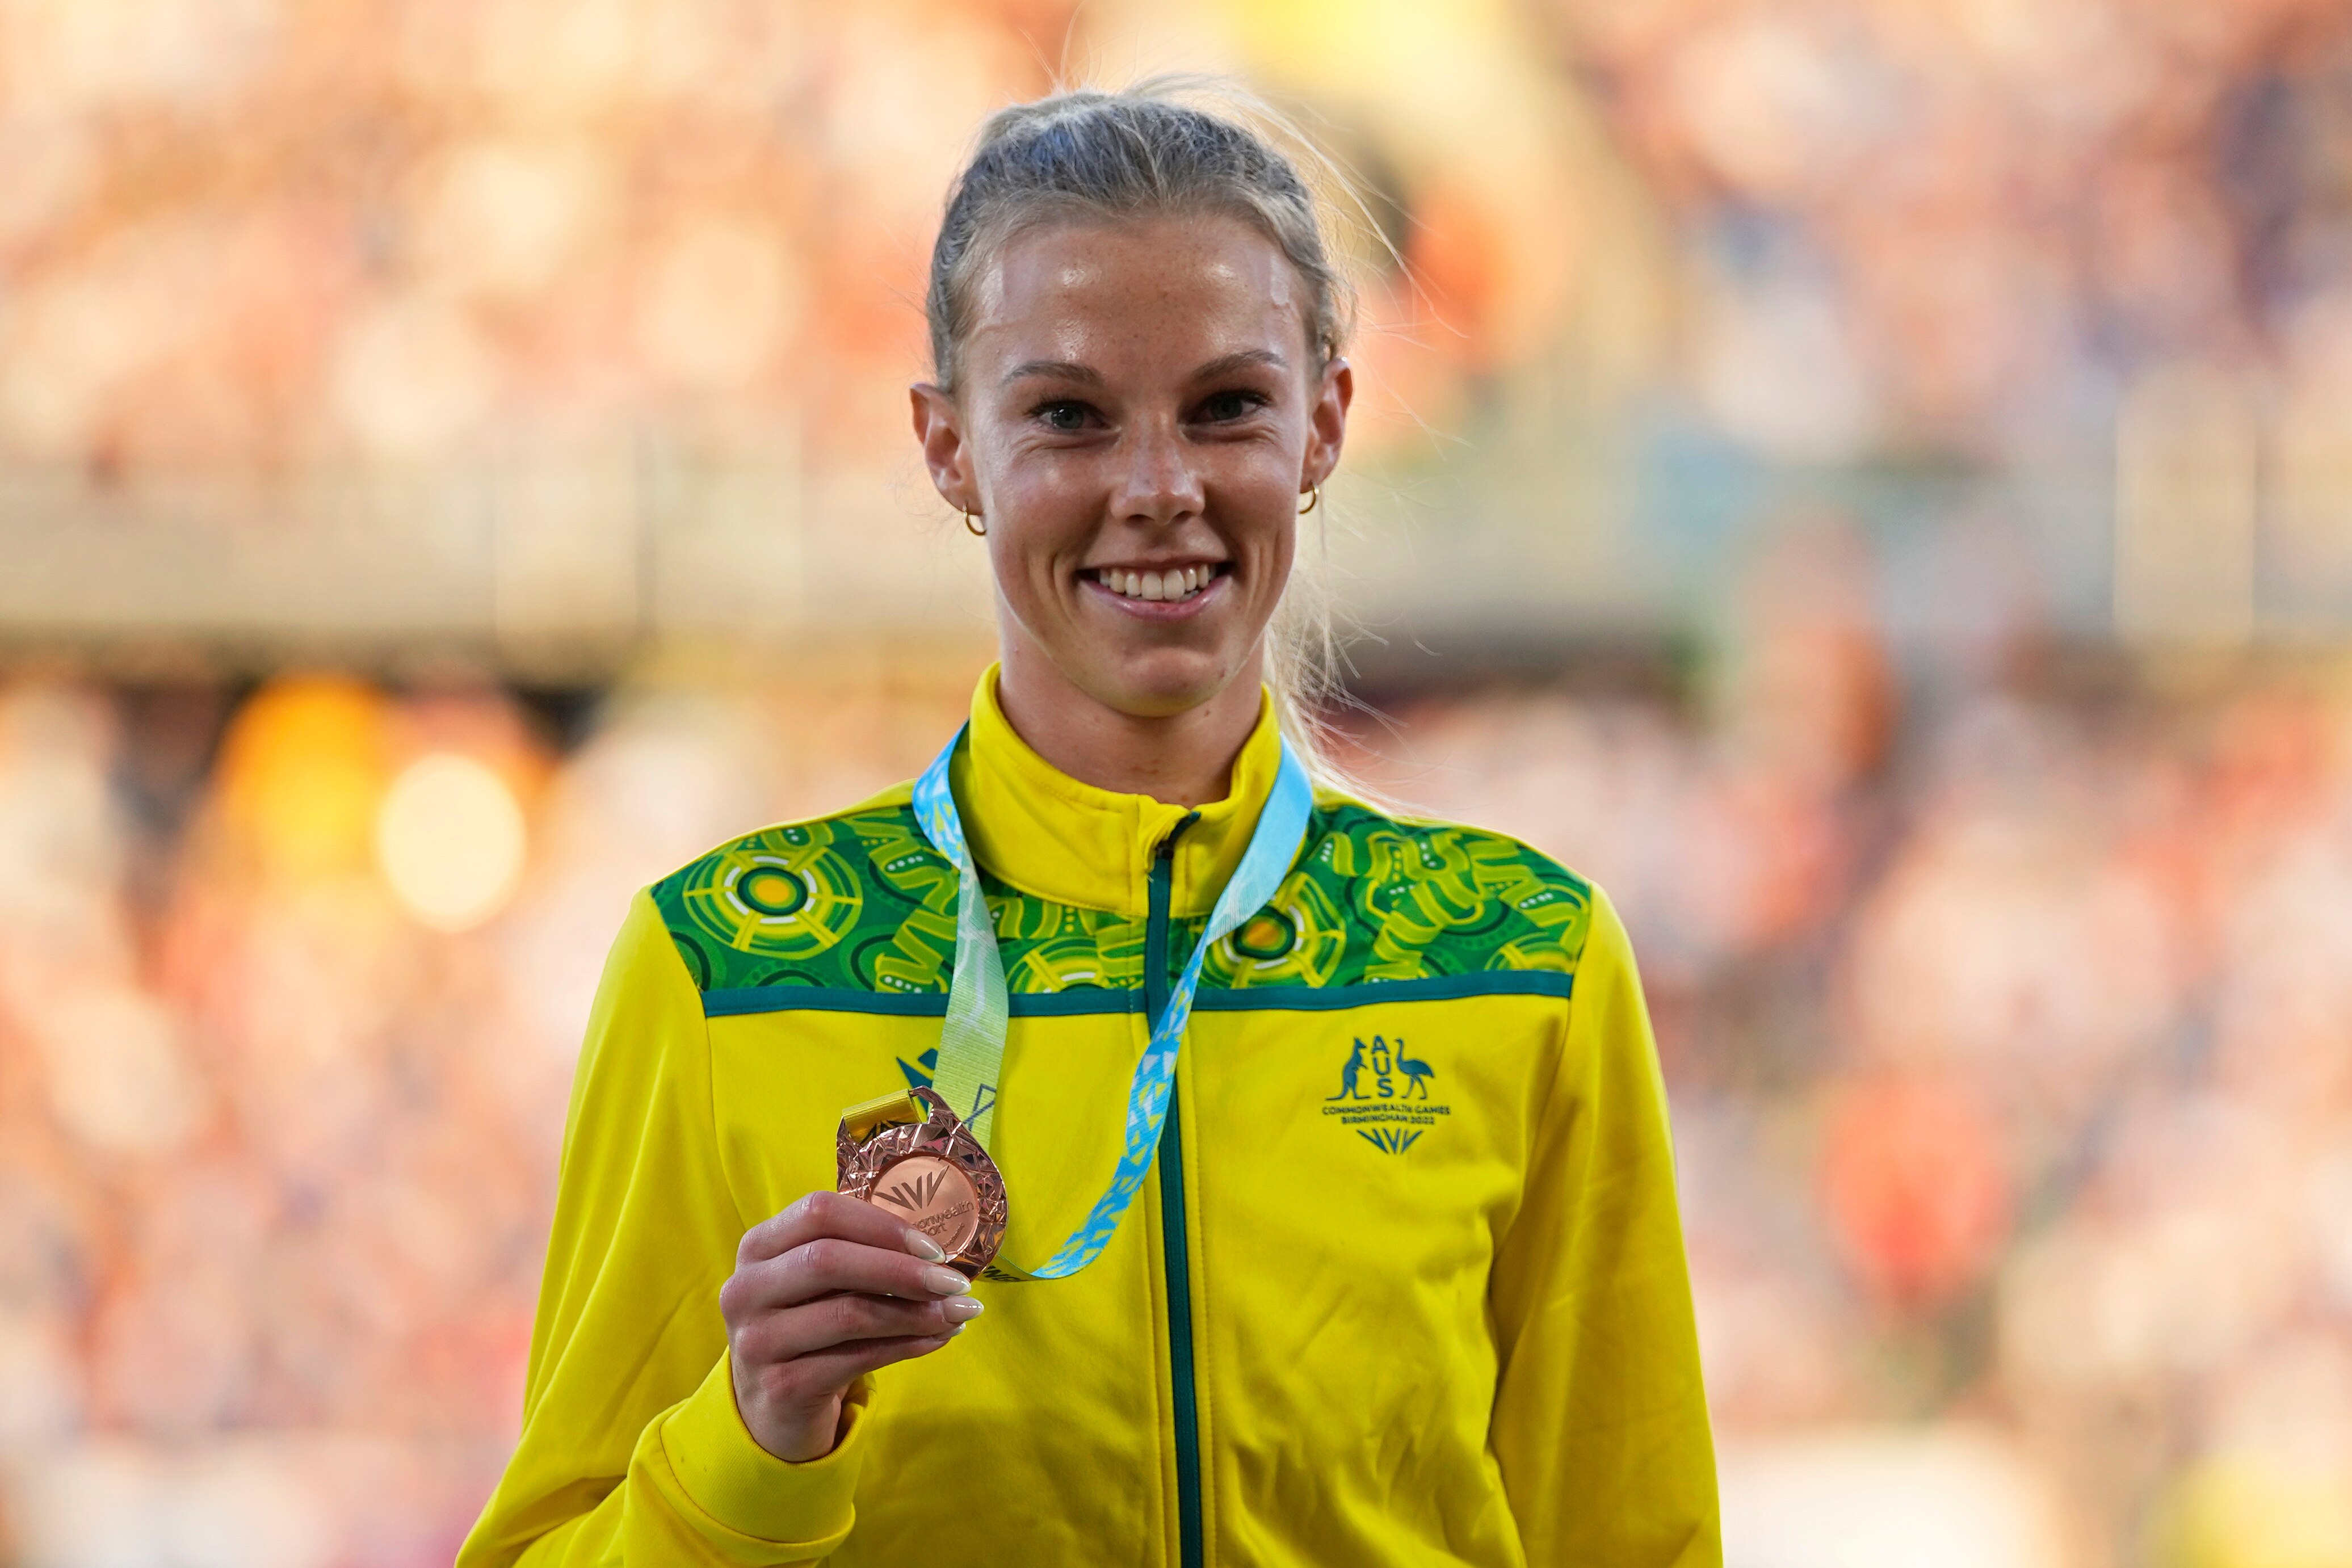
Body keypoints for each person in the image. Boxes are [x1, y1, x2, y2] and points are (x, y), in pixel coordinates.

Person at [459, 79, 1719, 1567]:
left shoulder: (1522, 962)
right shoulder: (726, 967)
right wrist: (747, 1446)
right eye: (1066, 416)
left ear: (1324, 426)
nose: (1158, 488)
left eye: (1227, 408)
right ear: (948, 449)